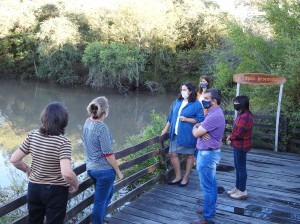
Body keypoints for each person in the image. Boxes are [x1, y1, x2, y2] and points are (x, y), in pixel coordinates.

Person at [10, 102, 79, 224]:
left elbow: (14, 160)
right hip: (55, 191)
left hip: (34, 189)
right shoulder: (63, 142)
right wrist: (75, 184)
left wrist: (27, 169)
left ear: (44, 118)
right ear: (63, 121)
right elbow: (67, 173)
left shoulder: (33, 135)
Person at [83, 96, 124, 224]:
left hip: (91, 168)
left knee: (109, 193)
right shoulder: (102, 128)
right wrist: (118, 171)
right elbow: (108, 153)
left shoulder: (87, 122)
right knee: (100, 202)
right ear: (105, 110)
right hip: (103, 171)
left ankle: (99, 219)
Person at [192, 88, 225, 224]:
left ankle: (207, 217)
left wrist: (196, 129)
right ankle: (209, 209)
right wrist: (199, 127)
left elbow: (195, 133)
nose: (203, 100)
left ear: (214, 101)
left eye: (206, 99)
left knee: (207, 186)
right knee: (211, 184)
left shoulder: (214, 115)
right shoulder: (213, 112)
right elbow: (199, 128)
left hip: (208, 154)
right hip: (209, 152)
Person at [161, 82, 204, 187]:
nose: (182, 91)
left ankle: (186, 177)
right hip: (175, 133)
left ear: (190, 91)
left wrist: (187, 119)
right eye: (181, 89)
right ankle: (178, 176)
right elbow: (171, 116)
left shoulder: (197, 104)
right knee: (172, 153)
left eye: (184, 89)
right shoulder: (178, 101)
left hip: (188, 134)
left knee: (189, 155)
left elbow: (200, 119)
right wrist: (165, 129)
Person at [226, 96, 253, 200]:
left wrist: (230, 138)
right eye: (234, 102)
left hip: (242, 145)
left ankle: (242, 190)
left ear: (242, 103)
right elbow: (235, 130)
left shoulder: (246, 116)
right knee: (237, 167)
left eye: (237, 102)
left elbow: (239, 133)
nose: (235, 104)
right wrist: (231, 136)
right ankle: (237, 187)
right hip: (236, 144)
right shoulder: (240, 114)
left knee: (241, 168)